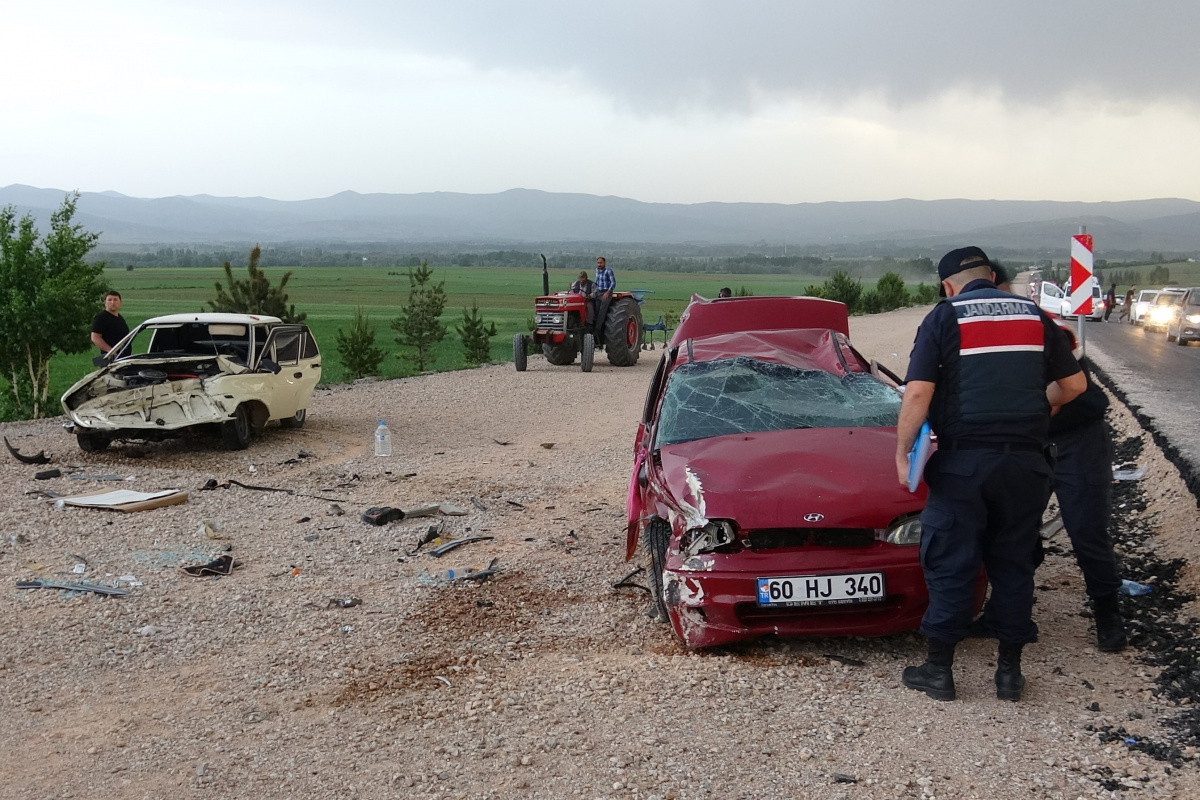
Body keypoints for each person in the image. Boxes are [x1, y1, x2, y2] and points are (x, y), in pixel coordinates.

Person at [895, 245, 1085, 703]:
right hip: (1026, 464)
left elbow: (919, 393)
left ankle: (939, 671)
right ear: (993, 276)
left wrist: (902, 453)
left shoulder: (945, 316)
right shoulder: (1035, 317)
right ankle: (1009, 675)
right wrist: (1044, 407)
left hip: (964, 463)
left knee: (951, 561)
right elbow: (1075, 385)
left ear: (947, 285)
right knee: (1014, 562)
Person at [970, 325, 1127, 652]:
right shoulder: (973, 334)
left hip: (1078, 437)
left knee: (1086, 529)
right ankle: (1004, 613)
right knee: (1014, 531)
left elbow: (1066, 392)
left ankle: (1108, 615)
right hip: (1028, 441)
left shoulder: (1053, 332)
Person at [593, 257, 616, 331]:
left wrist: (608, 292)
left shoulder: (608, 271)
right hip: (599, 292)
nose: (599, 264)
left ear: (604, 263)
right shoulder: (597, 270)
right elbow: (596, 282)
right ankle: (593, 327)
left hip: (606, 292)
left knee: (602, 312)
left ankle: (597, 330)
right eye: (598, 263)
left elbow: (613, 282)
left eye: (601, 263)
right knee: (596, 310)